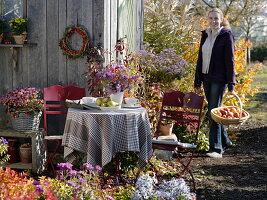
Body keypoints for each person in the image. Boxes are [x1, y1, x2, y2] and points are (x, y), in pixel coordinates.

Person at [194, 8, 235, 158]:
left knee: (213, 112)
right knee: (214, 108)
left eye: (216, 18)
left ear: (221, 19)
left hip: (219, 79)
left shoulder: (226, 35)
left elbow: (230, 61)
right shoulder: (205, 34)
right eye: (211, 18)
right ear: (208, 19)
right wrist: (197, 81)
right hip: (206, 78)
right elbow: (200, 58)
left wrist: (231, 84)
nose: (213, 21)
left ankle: (216, 149)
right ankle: (225, 141)